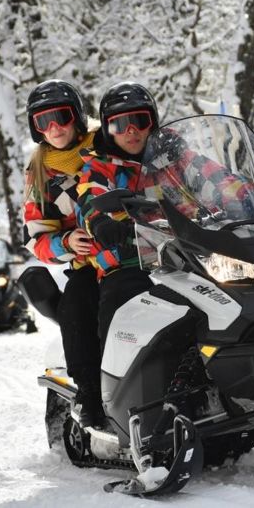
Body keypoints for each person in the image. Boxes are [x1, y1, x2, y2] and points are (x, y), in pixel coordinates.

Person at [22, 79, 104, 428]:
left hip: (144, 250)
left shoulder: (106, 143)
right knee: (75, 306)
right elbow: (36, 236)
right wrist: (66, 243)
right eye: (44, 121)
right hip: (92, 264)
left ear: (78, 117)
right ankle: (91, 395)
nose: (54, 128)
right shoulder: (39, 171)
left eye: (61, 117)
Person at [77, 82, 159, 346]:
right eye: (119, 125)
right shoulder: (101, 166)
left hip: (190, 255)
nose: (131, 131)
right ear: (107, 129)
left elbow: (218, 179)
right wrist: (100, 221)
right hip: (129, 259)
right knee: (120, 301)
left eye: (139, 121)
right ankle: (115, 381)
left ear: (153, 122)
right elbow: (89, 197)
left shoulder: (175, 157)